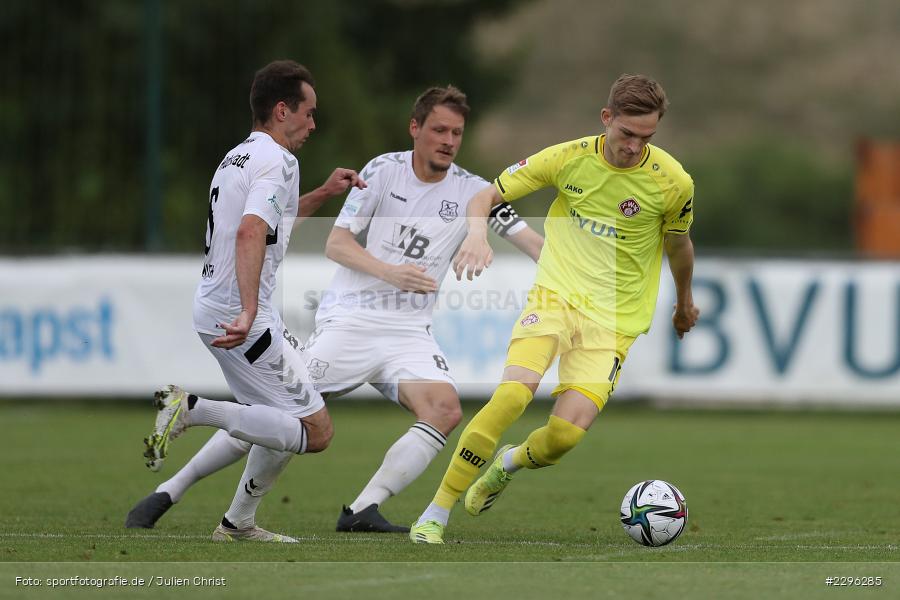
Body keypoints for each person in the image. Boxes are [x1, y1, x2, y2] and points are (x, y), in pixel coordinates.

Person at [125, 85, 542, 535]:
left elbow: (534, 244)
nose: (449, 140)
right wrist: (391, 272)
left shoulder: (473, 190)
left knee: (444, 409)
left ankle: (362, 509)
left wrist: (572, 268)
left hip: (408, 333)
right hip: (351, 321)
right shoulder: (382, 171)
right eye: (439, 129)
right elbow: (337, 244)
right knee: (287, 415)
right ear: (415, 128)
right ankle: (174, 488)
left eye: (457, 133)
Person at [409, 74, 699, 544]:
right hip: (555, 297)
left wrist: (684, 303)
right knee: (510, 396)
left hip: (615, 320)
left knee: (564, 437)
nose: (633, 146)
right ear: (607, 119)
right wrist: (478, 234)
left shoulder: (672, 182)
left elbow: (679, 245)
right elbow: (485, 196)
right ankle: (435, 514)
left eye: (645, 138)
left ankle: (508, 463)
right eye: (626, 134)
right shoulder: (567, 158)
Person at [130, 60, 365, 543]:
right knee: (315, 432)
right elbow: (251, 230)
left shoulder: (237, 156)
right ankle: (190, 409)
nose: (313, 124)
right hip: (242, 317)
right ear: (282, 110)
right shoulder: (279, 161)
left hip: (218, 308)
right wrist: (251, 309)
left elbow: (269, 222)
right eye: (309, 113)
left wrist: (323, 192)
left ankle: (237, 523)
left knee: (278, 419)